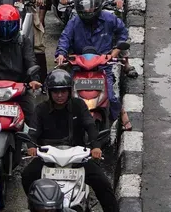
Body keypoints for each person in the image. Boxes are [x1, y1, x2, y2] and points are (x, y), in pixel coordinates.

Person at [19, 70, 117, 212]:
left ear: (69, 91)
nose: (60, 95)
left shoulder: (79, 105)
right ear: (49, 92)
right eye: (56, 92)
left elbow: (90, 126)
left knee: (103, 183)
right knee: (27, 176)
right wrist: (30, 146)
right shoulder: (41, 109)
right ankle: (36, 206)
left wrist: (96, 146)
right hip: (49, 158)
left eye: (63, 91)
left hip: (77, 158)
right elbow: (33, 132)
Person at [55, 0, 131, 130]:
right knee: (61, 94)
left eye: (91, 7)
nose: (88, 11)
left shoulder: (109, 19)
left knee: (112, 97)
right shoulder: (74, 22)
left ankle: (120, 113)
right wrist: (61, 54)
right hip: (79, 67)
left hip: (102, 67)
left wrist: (115, 52)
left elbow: (123, 32)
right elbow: (64, 38)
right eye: (84, 7)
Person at [0, 6, 42, 127]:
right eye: (1, 25)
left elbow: (31, 61)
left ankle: (33, 144)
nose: (5, 30)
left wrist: (34, 79)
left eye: (9, 25)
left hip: (19, 91)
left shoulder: (23, 42)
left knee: (33, 117)